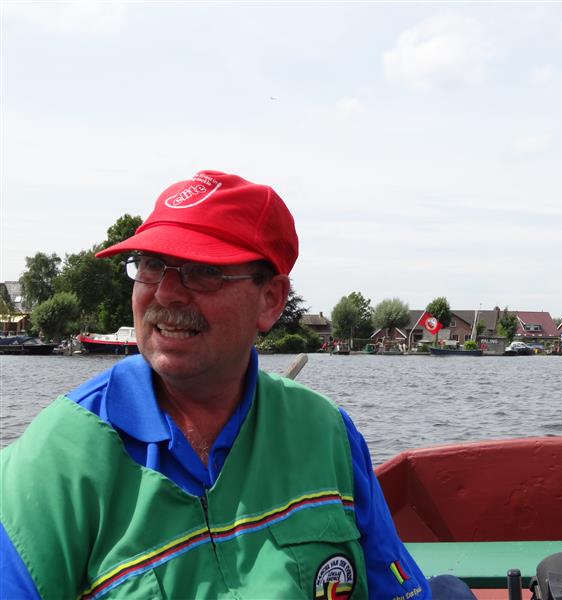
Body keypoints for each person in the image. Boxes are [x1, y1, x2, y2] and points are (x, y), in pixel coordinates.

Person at [0, 171, 432, 599]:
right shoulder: (55, 461)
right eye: (151, 266)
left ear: (270, 300)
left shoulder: (327, 432)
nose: (165, 293)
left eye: (202, 271)